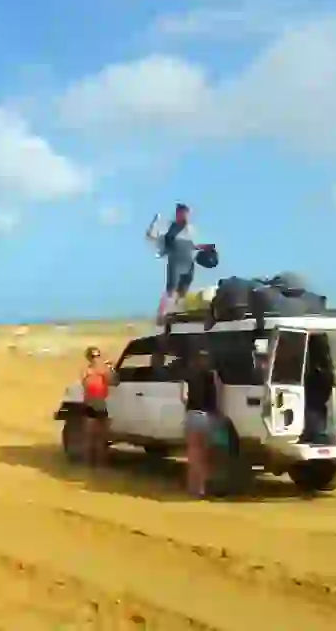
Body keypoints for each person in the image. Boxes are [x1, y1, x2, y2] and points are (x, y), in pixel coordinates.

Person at [146, 204, 216, 322]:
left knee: (184, 290)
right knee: (171, 289)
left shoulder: (191, 229)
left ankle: (177, 312)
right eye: (184, 214)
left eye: (188, 214)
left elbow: (193, 245)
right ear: (178, 214)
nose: (186, 217)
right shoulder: (169, 228)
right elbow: (151, 236)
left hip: (189, 262)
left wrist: (205, 247)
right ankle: (161, 315)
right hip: (175, 262)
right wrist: (153, 223)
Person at [180, 347, 223, 498]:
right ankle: (201, 488)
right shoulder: (213, 376)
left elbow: (183, 397)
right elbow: (218, 396)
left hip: (193, 415)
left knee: (193, 454)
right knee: (204, 455)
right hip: (207, 416)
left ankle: (193, 487)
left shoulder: (189, 375)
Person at [79, 346, 116, 467]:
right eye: (93, 356)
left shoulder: (104, 370)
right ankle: (88, 464)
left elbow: (113, 381)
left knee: (102, 437)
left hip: (101, 404)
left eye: (97, 355)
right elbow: (86, 385)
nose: (96, 358)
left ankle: (100, 464)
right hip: (90, 404)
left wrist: (110, 370)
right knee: (89, 436)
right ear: (89, 358)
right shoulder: (87, 371)